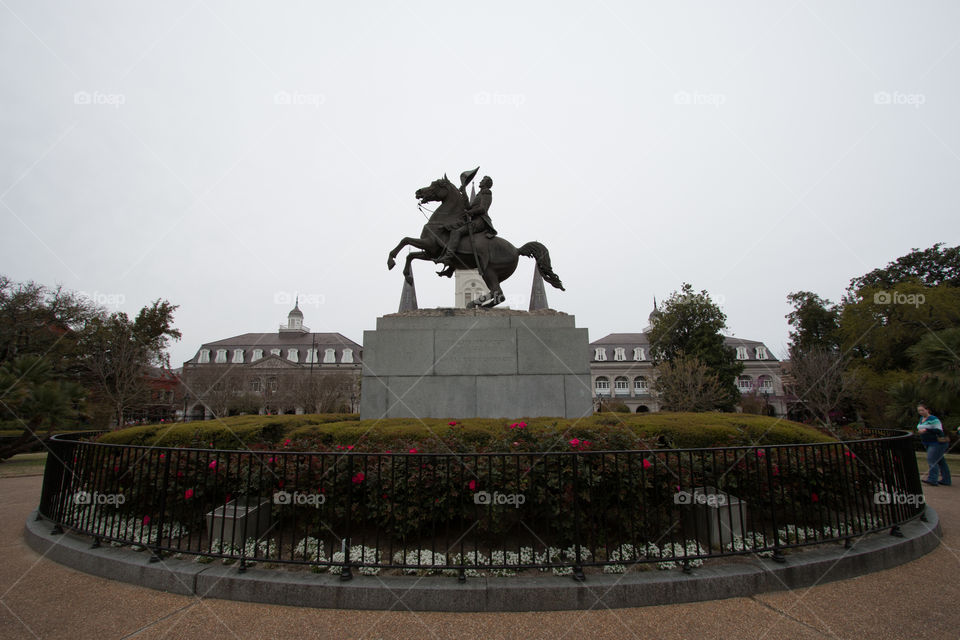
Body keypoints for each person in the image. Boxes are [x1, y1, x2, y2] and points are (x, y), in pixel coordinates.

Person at [438, 175, 496, 263]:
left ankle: (448, 257)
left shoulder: (486, 192)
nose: (481, 181)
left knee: (457, 232)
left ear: (486, 183)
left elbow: (483, 209)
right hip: (474, 220)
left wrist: (470, 212)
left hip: (481, 220)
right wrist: (464, 192)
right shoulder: (479, 194)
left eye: (483, 180)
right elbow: (469, 207)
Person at [917, 403, 950, 486]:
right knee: (941, 461)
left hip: (937, 443)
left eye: (922, 410)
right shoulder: (921, 419)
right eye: (919, 410)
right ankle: (946, 480)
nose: (921, 412)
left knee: (931, 459)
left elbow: (939, 430)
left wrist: (926, 430)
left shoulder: (933, 419)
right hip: (927, 442)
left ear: (927, 410)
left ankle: (932, 479)